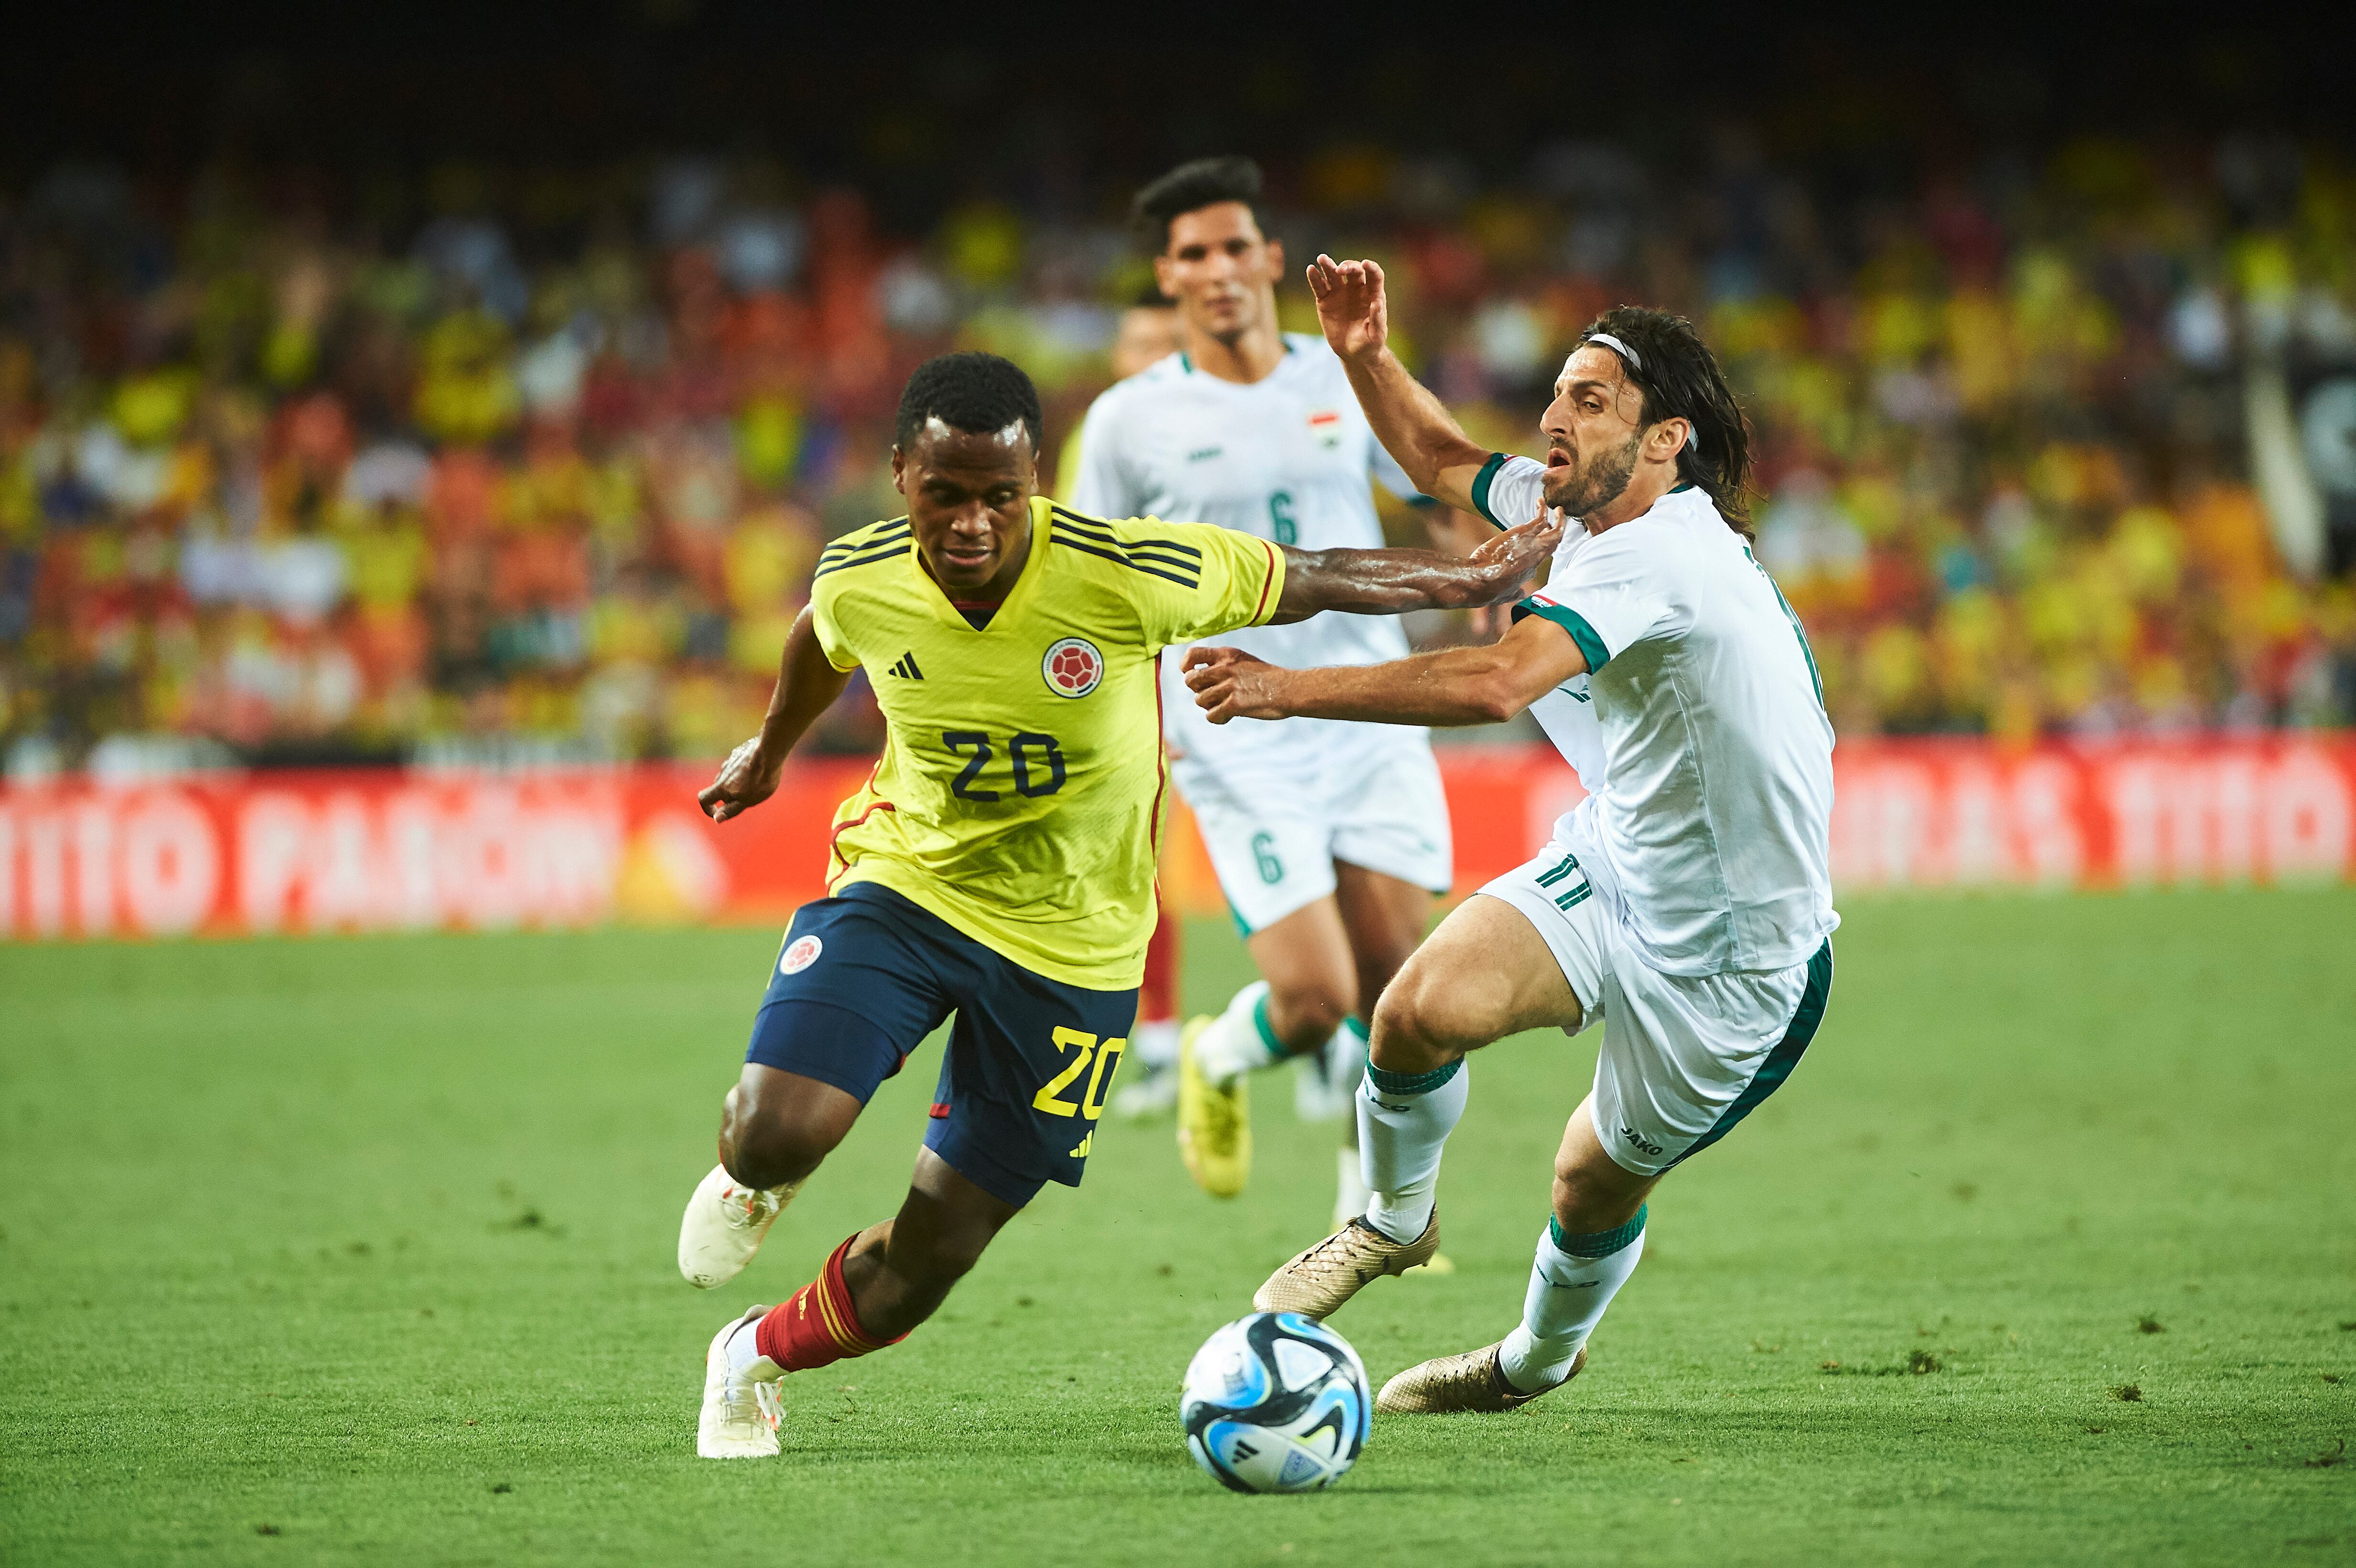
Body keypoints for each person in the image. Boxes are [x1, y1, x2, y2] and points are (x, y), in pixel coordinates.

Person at [678, 349, 1561, 1457]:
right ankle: (757, 1184)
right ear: (901, 473)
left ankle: (749, 1353)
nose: (970, 522)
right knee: (770, 1132)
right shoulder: (859, 574)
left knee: (931, 1257)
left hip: (1076, 951)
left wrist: (1472, 580)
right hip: (909, 886)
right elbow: (822, 632)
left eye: (999, 494)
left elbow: (1316, 571)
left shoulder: (1118, 569)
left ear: (1036, 480)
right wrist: (769, 748)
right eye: (943, 492)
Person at [1184, 259, 1838, 1416]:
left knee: (1587, 1181)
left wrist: (1288, 688)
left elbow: (1494, 682)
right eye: (1558, 392)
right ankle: (1391, 1220)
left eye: (1591, 402)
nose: (1552, 418)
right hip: (1620, 857)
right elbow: (1443, 462)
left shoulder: (1662, 555)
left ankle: (1533, 1359)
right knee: (1412, 1010)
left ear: (1662, 442)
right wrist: (1363, 356)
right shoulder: (1583, 510)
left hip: (1739, 960)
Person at [1071, 157, 1492, 1224]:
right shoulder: (1129, 420)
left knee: (1398, 980)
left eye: (1234, 247)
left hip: (1367, 698)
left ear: (1269, 258)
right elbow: (1088, 584)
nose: (1217, 270)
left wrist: (1481, 560)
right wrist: (1122, 723)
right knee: (1315, 1000)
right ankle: (1218, 1052)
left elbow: (1435, 480)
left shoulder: (1343, 378)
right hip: (1234, 718)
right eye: (1192, 254)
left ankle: (1377, 1212)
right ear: (1167, 277)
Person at [1051, 285, 1189, 1119]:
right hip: (1128, 672)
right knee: (1125, 857)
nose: (1153, 363)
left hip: (1221, 660)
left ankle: (1320, 1038)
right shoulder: (1100, 436)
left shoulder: (1219, 429)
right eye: (1140, 345)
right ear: (1117, 356)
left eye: (1168, 346)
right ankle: (1163, 1047)